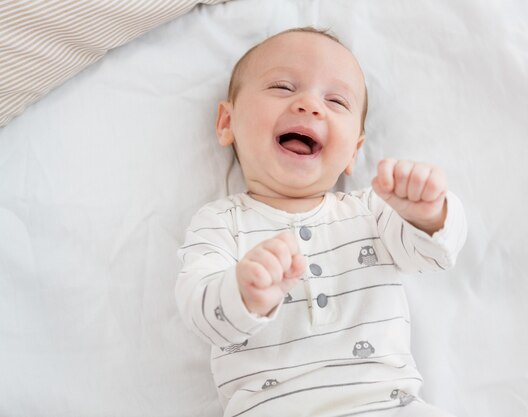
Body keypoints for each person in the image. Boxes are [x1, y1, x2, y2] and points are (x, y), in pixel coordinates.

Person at [176, 27, 467, 417]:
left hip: (387, 404)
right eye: (282, 86)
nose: (310, 105)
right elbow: (200, 311)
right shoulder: (220, 223)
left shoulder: (372, 210)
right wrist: (243, 293)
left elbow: (434, 255)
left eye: (335, 100)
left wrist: (428, 212)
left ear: (354, 151)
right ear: (227, 122)